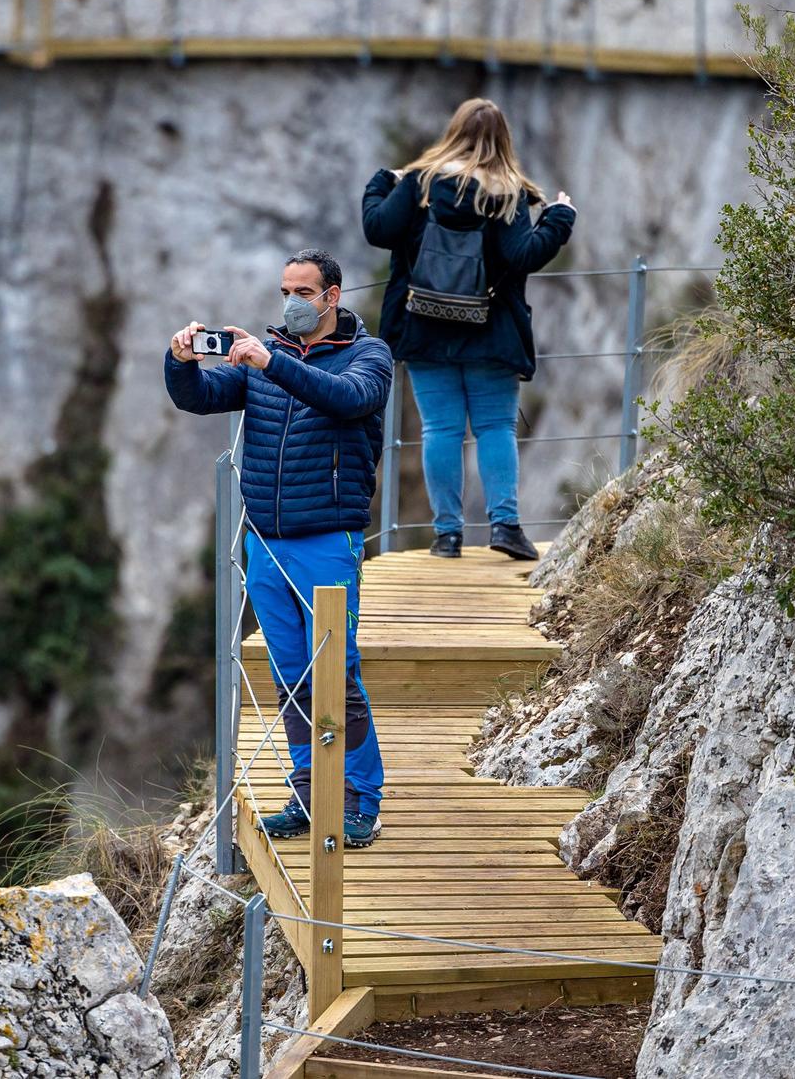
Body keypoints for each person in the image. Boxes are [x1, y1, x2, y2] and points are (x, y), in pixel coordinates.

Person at [165, 249, 390, 848]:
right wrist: (180, 361)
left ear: (333, 296)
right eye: (285, 288)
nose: (291, 300)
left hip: (327, 539)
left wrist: (272, 362)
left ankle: (360, 801)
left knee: (335, 676)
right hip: (264, 541)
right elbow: (198, 397)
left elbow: (348, 399)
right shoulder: (264, 361)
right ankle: (307, 794)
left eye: (304, 290)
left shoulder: (370, 356)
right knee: (291, 677)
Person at [362, 97, 576, 561]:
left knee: (441, 428)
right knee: (495, 427)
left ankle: (447, 536)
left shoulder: (421, 184)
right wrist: (560, 217)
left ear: (453, 132)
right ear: (504, 140)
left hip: (423, 325)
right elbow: (525, 255)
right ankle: (504, 527)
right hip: (491, 329)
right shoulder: (507, 193)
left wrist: (383, 180)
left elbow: (378, 228)